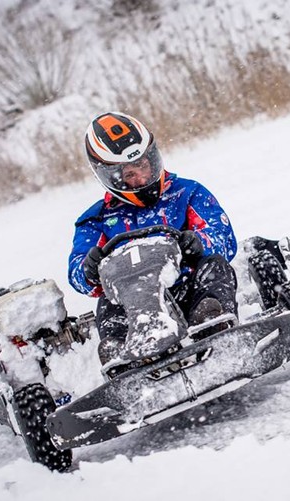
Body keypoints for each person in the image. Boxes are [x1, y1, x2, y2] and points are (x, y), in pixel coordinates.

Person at [68, 112, 238, 365]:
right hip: (133, 306)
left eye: (144, 167)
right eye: (129, 175)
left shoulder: (186, 192)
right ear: (111, 178)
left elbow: (222, 235)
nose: (142, 179)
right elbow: (77, 273)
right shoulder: (96, 219)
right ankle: (120, 355)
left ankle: (212, 325)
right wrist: (88, 269)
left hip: (189, 288)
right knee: (107, 298)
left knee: (214, 265)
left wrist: (198, 243)